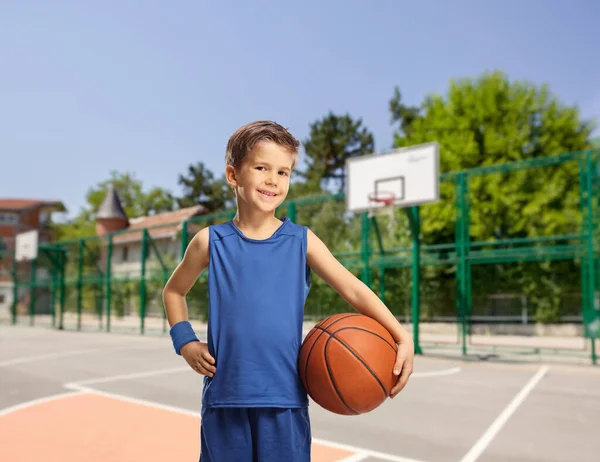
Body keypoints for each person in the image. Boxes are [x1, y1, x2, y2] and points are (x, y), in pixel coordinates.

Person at [162, 120, 414, 462]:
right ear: (233, 175)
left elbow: (353, 289)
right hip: (225, 400)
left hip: (285, 403)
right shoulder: (211, 242)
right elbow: (173, 291)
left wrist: (401, 335)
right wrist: (185, 342)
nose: (273, 180)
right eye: (262, 167)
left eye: (284, 172)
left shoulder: (301, 241)